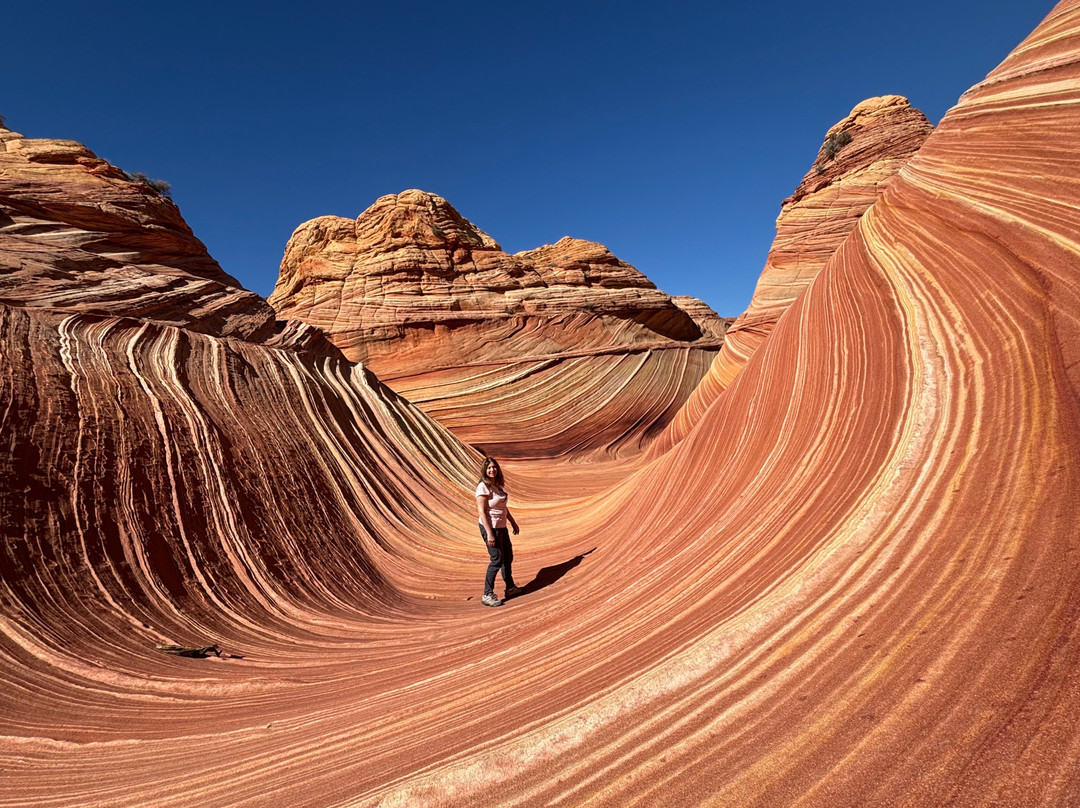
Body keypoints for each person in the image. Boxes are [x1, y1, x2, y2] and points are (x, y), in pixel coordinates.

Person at [475, 456, 521, 607]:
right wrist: (489, 533)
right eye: (489, 468)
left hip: (501, 527)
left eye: (494, 467)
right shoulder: (483, 487)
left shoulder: (498, 487)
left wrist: (513, 522)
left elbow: (503, 508)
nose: (492, 470)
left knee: (507, 557)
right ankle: (487, 594)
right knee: (496, 560)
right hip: (490, 527)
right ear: (485, 470)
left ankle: (510, 588)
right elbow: (482, 511)